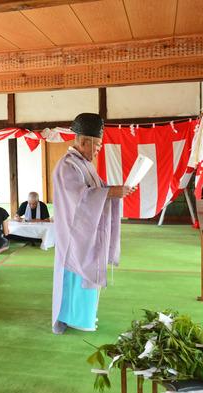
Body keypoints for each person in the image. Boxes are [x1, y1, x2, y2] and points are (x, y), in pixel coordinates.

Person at [51, 113, 135, 335]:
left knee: (85, 273)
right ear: (82, 141)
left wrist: (116, 191)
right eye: (97, 144)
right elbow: (78, 198)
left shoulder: (84, 165)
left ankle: (84, 316)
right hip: (75, 235)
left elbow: (96, 190)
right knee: (75, 275)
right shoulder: (67, 166)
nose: (98, 148)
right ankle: (72, 318)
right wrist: (110, 192)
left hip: (87, 232)